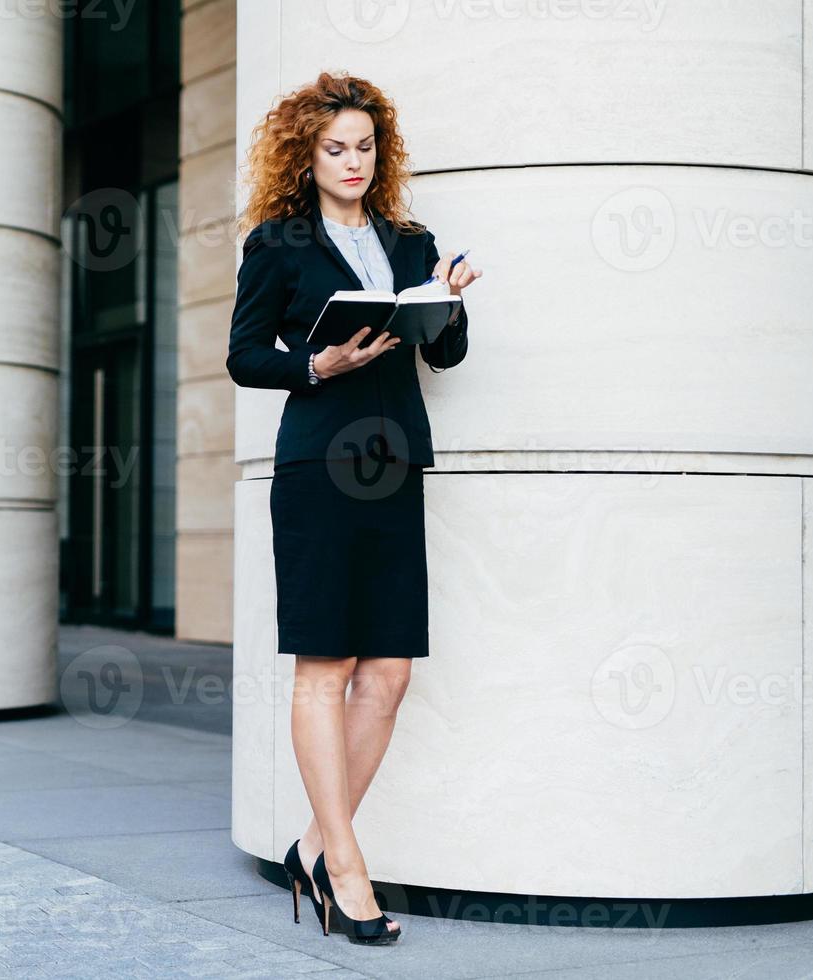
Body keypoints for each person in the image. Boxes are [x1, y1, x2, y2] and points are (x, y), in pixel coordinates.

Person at [225, 70, 483, 945]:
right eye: (336, 147)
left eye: (366, 146)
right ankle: (343, 865)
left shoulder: (412, 242)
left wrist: (448, 299)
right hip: (317, 469)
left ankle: (309, 846)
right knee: (324, 670)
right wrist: (313, 365)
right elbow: (245, 355)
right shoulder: (279, 242)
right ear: (308, 152)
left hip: (394, 462)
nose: (354, 161)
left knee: (391, 672)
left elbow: (442, 354)